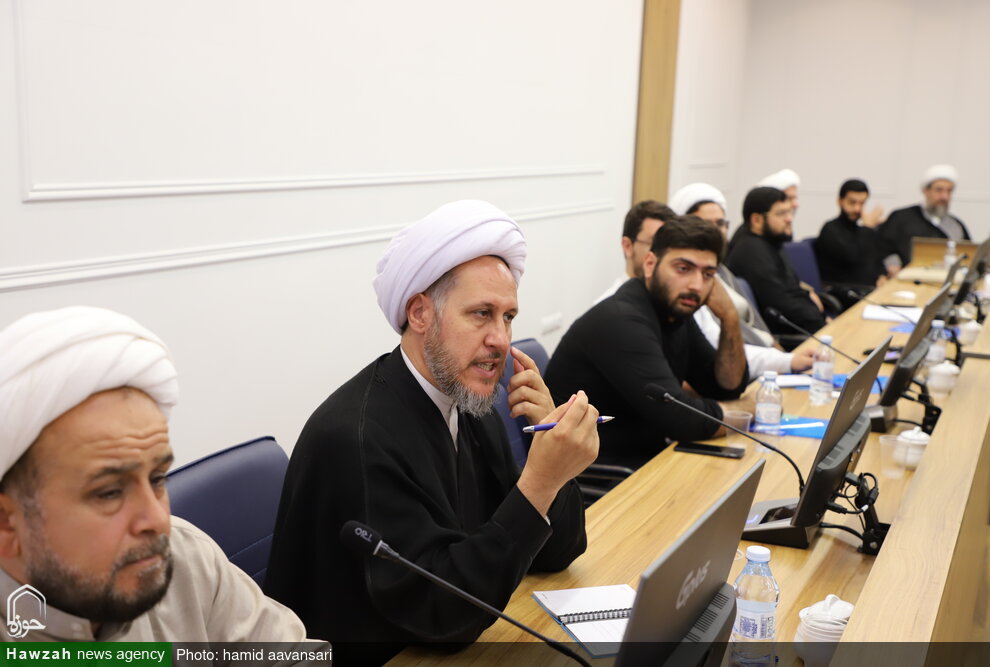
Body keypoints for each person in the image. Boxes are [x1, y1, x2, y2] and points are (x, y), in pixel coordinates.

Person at [265, 200, 598, 663]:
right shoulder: (356, 438)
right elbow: (444, 614)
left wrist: (549, 454)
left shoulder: (470, 403)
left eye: (508, 317)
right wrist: (541, 481)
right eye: (481, 313)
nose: (501, 339)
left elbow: (556, 553)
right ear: (420, 313)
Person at [0, 306, 319, 653]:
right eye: (109, 493)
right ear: (7, 524)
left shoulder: (184, 557)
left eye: (156, 479)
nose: (157, 520)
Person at [546, 215, 750, 470]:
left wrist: (729, 317)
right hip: (596, 476)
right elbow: (682, 421)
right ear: (651, 264)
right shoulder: (621, 320)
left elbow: (726, 386)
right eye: (683, 268)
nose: (697, 285)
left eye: (708, 274)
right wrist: (747, 410)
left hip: (643, 463)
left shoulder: (675, 313)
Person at [669, 184, 814, 376]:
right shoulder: (689, 288)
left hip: (761, 360)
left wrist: (778, 353)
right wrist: (784, 360)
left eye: (720, 223)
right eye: (706, 224)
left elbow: (754, 320)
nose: (716, 231)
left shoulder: (722, 271)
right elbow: (714, 348)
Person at [726, 187, 827, 336]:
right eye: (781, 214)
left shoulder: (771, 242)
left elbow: (792, 288)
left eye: (789, 212)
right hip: (790, 337)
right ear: (757, 220)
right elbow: (783, 306)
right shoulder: (752, 251)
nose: (789, 219)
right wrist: (822, 323)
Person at [815, 179, 889, 307]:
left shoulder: (862, 231)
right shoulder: (830, 229)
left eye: (862, 203)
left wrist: (882, 275)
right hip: (845, 294)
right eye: (852, 202)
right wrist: (867, 228)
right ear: (840, 201)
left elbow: (876, 258)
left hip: (869, 293)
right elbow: (851, 256)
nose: (857, 209)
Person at [878, 164, 970, 267]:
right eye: (939, 190)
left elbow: (968, 256)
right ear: (926, 191)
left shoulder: (956, 226)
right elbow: (883, 247)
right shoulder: (901, 217)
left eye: (949, 191)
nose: (945, 197)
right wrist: (892, 265)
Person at [596, 200, 675, 302]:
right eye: (655, 243)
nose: (663, 254)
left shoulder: (675, 299)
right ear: (628, 246)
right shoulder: (609, 305)